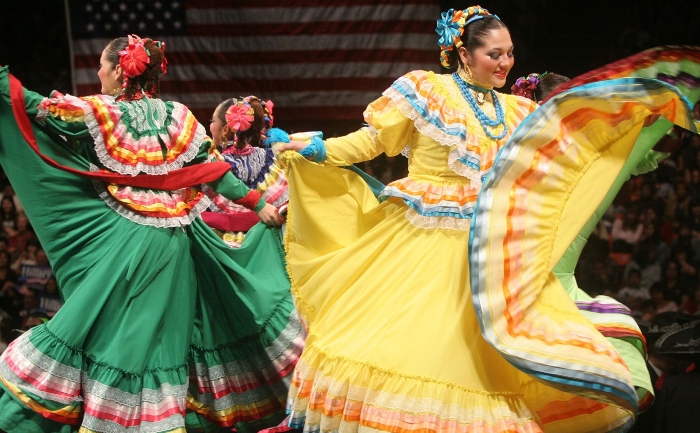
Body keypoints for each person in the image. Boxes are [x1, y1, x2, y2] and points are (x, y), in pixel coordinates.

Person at [271, 6, 699, 432]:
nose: (505, 63)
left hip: (489, 244)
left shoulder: (516, 110)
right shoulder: (425, 91)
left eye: (510, 53)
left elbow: (575, 150)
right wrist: (321, 150)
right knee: (421, 346)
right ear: (463, 53)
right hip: (421, 240)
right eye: (494, 54)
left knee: (489, 360)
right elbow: (373, 140)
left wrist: (644, 117)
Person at [0, 34, 304, 433]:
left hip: (129, 239)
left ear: (119, 72)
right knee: (164, 342)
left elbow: (39, 110)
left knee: (108, 334)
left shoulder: (102, 112)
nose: (98, 73)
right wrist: (258, 203)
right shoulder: (177, 115)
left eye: (103, 67)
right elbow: (211, 168)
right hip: (178, 241)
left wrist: (5, 84)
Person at [202, 95, 288, 248]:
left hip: (219, 246)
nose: (211, 125)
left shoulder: (212, 164)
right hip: (264, 245)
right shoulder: (271, 161)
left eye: (213, 121)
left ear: (226, 129)